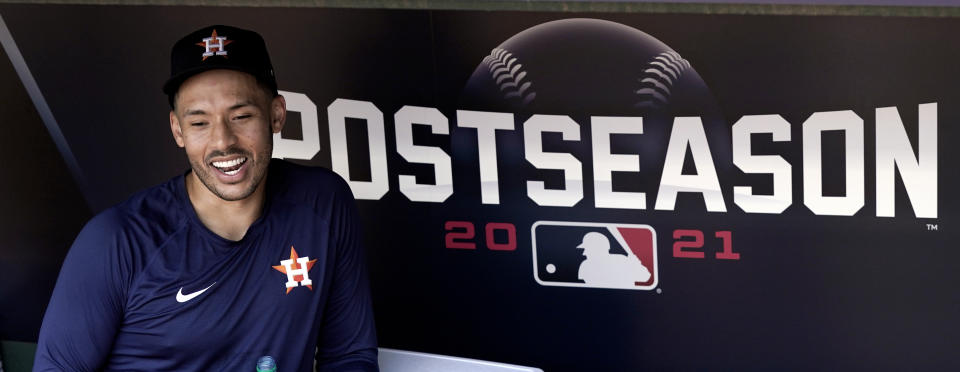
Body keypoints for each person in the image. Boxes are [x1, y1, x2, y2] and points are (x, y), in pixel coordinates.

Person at [33, 25, 378, 371]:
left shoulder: (322, 204)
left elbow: (350, 357)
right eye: (199, 123)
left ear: (276, 114)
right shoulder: (117, 240)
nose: (223, 141)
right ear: (177, 130)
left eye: (241, 116)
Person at [576, 231, 650, 289]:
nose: (584, 253)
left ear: (598, 249)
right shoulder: (586, 265)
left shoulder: (622, 260)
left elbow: (645, 277)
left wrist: (636, 265)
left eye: (588, 249)